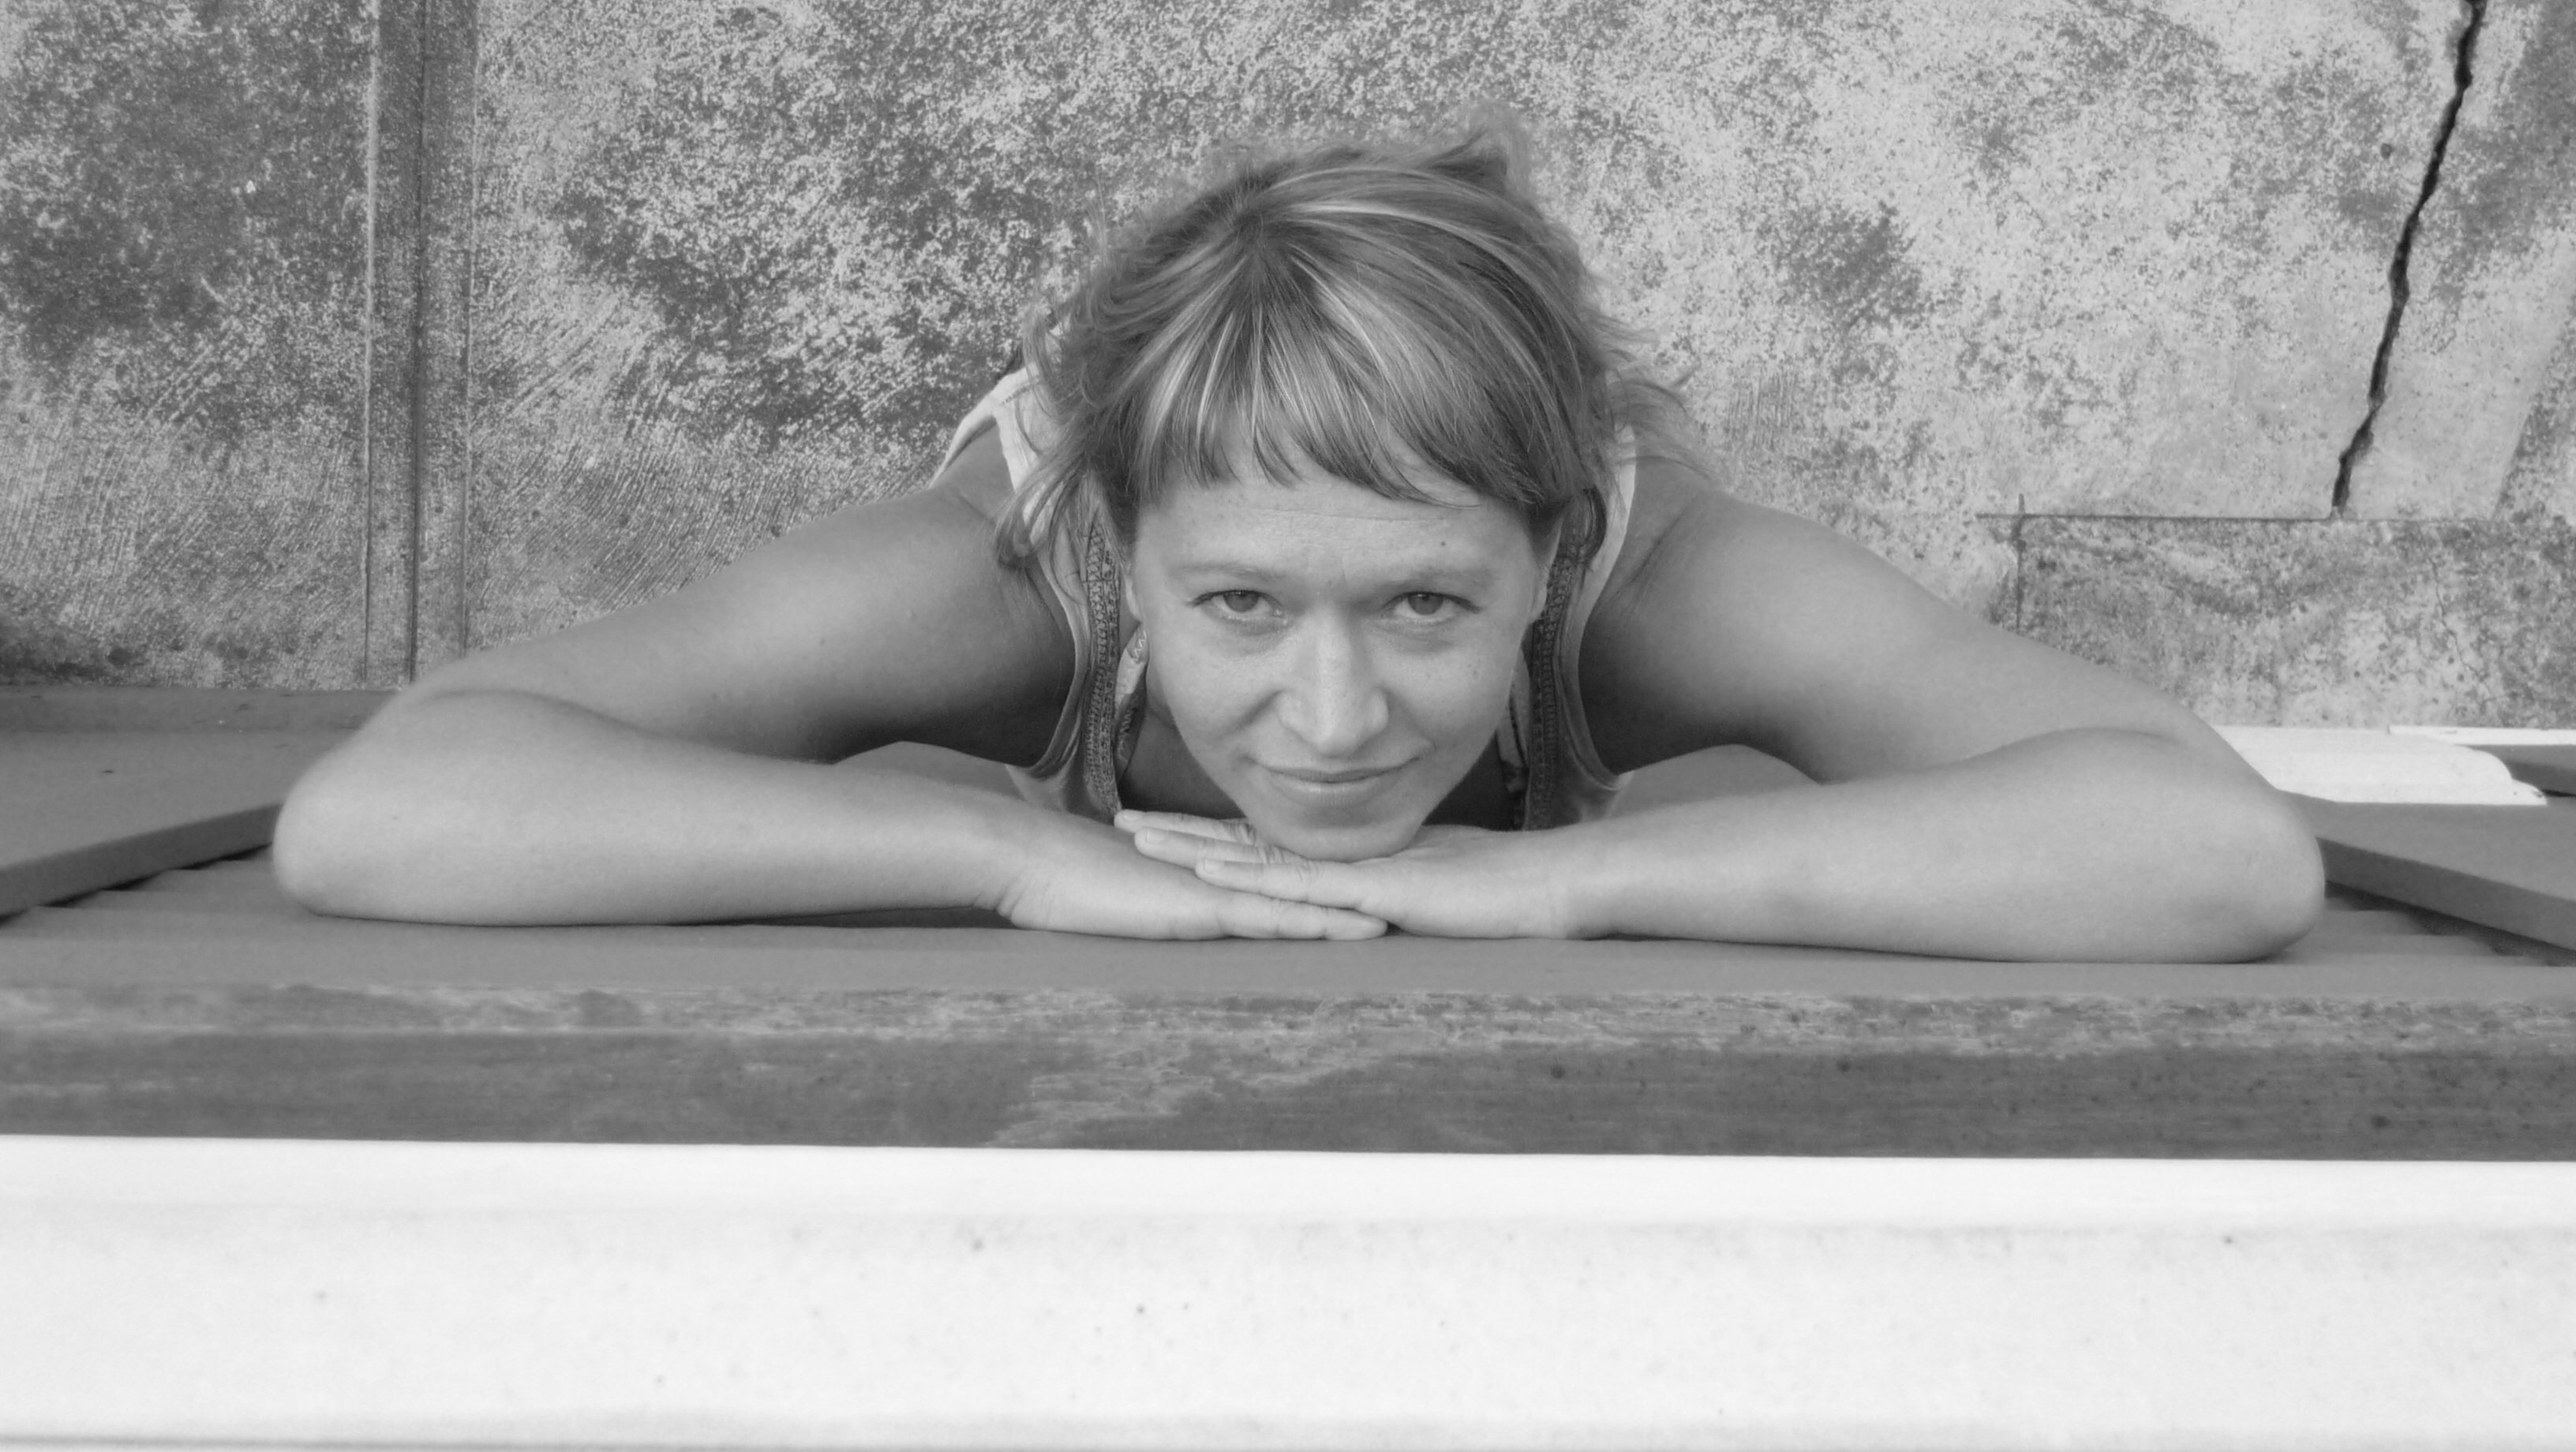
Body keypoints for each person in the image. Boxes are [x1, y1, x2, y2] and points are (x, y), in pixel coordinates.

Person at [274, 124, 2323, 960]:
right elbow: (392, 809)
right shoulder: (1005, 569)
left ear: (1555, 547)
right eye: (1241, 605)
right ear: (1121, 545)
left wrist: (1570, 881)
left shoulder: (1667, 582)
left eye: (1426, 603)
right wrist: (999, 852)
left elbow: (2210, 847)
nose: (1331, 718)